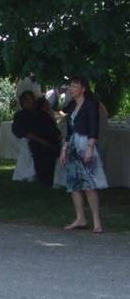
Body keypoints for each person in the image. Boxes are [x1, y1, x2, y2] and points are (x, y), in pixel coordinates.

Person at [60, 76, 107, 233]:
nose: (71, 89)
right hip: (73, 146)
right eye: (70, 86)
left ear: (83, 88)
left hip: (85, 144)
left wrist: (90, 147)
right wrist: (64, 150)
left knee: (89, 185)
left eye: (74, 86)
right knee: (74, 184)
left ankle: (96, 220)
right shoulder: (72, 105)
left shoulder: (90, 104)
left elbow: (94, 127)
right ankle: (80, 218)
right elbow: (69, 130)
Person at [12, 91, 61, 187]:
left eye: (32, 100)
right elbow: (21, 132)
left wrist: (59, 137)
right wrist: (41, 140)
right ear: (24, 102)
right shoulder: (20, 115)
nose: (32, 102)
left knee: (56, 149)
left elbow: (54, 129)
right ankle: (45, 179)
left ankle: (54, 178)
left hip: (51, 140)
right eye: (29, 100)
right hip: (36, 142)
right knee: (43, 152)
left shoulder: (42, 114)